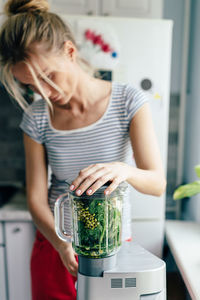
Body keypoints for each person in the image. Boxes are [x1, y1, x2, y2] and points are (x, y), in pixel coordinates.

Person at [0, 0, 166, 299]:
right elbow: (36, 200)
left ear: (70, 52)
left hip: (110, 246)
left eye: (48, 77)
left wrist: (123, 169)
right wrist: (63, 244)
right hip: (55, 246)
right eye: (32, 87)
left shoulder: (128, 101)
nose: (45, 93)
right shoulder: (37, 117)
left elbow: (157, 184)